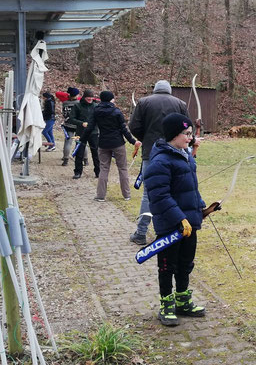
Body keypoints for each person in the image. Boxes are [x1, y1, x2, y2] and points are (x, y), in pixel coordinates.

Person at [144, 113, 206, 326]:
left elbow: (191, 188)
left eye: (191, 133)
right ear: (173, 135)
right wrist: (179, 218)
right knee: (167, 266)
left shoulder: (185, 155)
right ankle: (166, 304)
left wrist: (201, 207)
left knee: (185, 264)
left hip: (189, 224)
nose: (190, 138)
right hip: (171, 225)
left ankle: (182, 301)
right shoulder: (160, 160)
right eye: (186, 134)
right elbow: (159, 196)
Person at [128, 80, 189, 246]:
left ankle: (141, 232)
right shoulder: (180, 103)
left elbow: (133, 126)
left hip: (151, 153)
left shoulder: (144, 102)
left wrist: (146, 139)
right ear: (169, 91)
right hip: (176, 153)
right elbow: (186, 127)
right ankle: (167, 232)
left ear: (155, 90)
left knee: (150, 193)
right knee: (173, 191)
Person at [80, 91, 141, 202]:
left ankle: (100, 195)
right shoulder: (116, 112)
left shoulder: (96, 111)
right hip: (117, 143)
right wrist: (133, 141)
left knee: (103, 168)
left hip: (103, 143)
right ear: (110, 99)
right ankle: (126, 194)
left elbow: (89, 127)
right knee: (122, 168)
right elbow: (124, 129)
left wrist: (82, 140)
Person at [69, 89, 100, 179]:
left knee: (96, 153)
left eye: (91, 97)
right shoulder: (77, 106)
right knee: (79, 152)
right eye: (88, 97)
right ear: (84, 97)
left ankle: (98, 172)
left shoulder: (96, 106)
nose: (90, 99)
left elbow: (100, 118)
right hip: (80, 133)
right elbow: (71, 118)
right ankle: (78, 172)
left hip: (93, 132)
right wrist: (81, 123)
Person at [59, 87, 80, 166]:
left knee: (68, 143)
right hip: (78, 125)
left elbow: (64, 114)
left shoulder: (65, 103)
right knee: (80, 142)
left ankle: (65, 159)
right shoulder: (79, 103)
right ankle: (85, 159)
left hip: (68, 125)